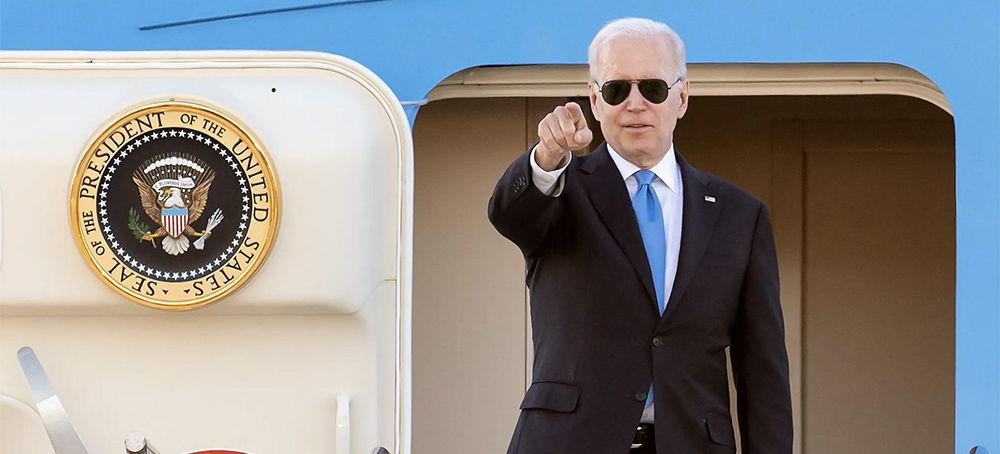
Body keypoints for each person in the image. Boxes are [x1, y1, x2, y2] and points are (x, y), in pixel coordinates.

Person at [488, 17, 793, 454]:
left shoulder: (740, 215)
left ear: (682, 97)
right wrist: (548, 155)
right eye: (616, 90)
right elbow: (509, 215)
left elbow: (763, 373)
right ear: (595, 100)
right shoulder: (560, 187)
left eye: (652, 89)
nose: (635, 104)